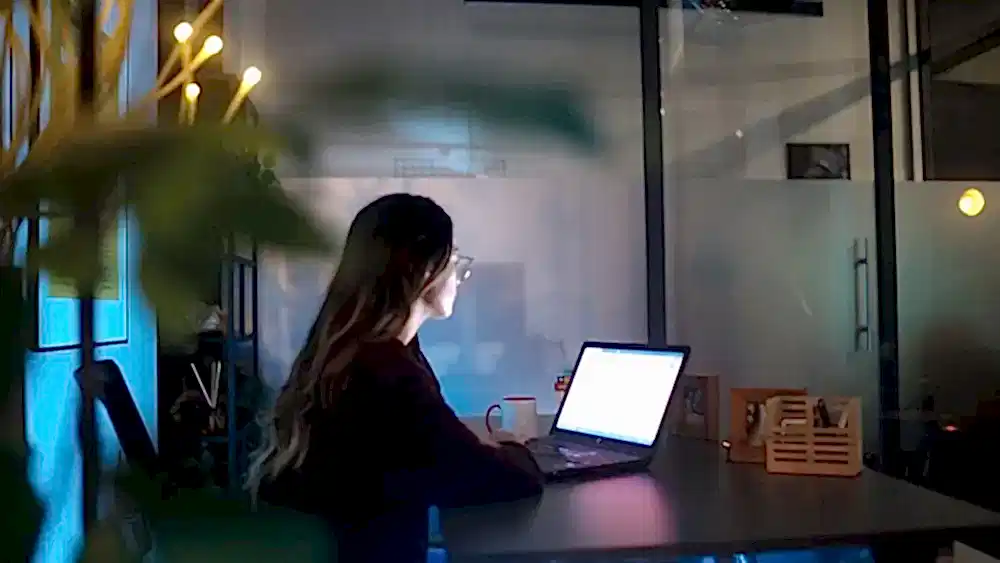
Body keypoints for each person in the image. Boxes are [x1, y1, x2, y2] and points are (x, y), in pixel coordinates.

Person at [246, 193, 543, 563]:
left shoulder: (356, 350)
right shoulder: (384, 373)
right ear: (424, 272)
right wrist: (518, 450)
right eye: (452, 261)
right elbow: (487, 478)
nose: (458, 276)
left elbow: (437, 447)